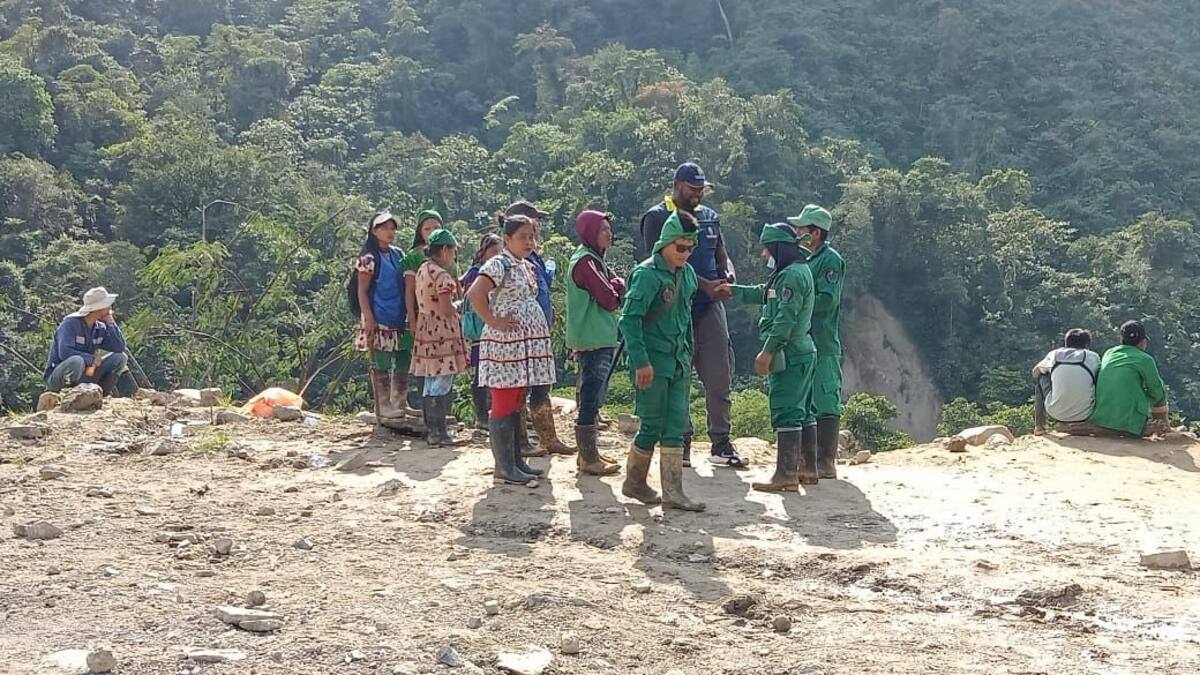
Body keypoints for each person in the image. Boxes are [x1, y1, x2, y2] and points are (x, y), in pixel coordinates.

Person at [639, 162, 738, 468]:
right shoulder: (657, 217)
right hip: (674, 308)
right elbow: (660, 263)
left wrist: (728, 275)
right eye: (693, 188)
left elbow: (721, 253)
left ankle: (721, 443)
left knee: (719, 375)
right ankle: (679, 442)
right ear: (677, 184)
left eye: (701, 189)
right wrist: (704, 285)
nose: (697, 194)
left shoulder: (709, 217)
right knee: (677, 376)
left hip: (709, 308)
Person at [620, 212, 705, 511]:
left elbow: (686, 318)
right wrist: (641, 362)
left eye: (691, 248)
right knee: (652, 423)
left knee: (676, 424)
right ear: (665, 243)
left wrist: (690, 353)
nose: (685, 253)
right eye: (680, 247)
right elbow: (629, 320)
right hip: (653, 362)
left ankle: (673, 491)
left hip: (679, 360)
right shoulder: (646, 275)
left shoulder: (688, 275)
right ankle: (634, 482)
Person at [467, 215, 557, 485]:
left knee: (517, 399)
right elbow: (475, 294)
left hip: (522, 346)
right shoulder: (499, 263)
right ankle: (504, 467)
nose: (529, 242)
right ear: (507, 239)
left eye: (531, 237)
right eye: (522, 237)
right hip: (506, 345)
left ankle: (516, 462)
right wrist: (494, 321)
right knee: (505, 400)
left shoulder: (525, 265)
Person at [727, 224, 818, 490]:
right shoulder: (794, 271)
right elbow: (767, 293)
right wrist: (734, 290)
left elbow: (785, 319)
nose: (764, 255)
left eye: (767, 249)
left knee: (786, 409)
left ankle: (785, 475)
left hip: (789, 351)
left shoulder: (791, 277)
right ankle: (807, 469)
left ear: (778, 248)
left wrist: (767, 351)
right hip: (803, 349)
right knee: (803, 410)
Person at [504, 200, 576, 456]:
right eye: (535, 221)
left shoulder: (530, 256)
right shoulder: (506, 261)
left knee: (541, 384)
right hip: (520, 335)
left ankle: (546, 438)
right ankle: (523, 442)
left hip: (537, 330)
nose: (539, 226)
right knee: (521, 388)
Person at [788, 204, 845, 480]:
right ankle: (807, 460)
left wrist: (801, 303)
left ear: (816, 232)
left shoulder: (830, 260)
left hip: (823, 341)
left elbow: (828, 299)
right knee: (806, 400)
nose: (797, 233)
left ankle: (826, 461)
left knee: (825, 398)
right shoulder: (804, 260)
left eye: (801, 228)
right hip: (804, 342)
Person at [566, 210, 624, 476]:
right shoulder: (586, 262)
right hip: (593, 337)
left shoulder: (593, 258)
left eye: (609, 229)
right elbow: (609, 298)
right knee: (591, 395)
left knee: (593, 392)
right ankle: (588, 457)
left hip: (597, 335)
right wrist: (617, 287)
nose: (609, 234)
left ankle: (589, 454)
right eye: (603, 229)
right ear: (590, 232)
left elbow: (612, 288)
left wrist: (615, 286)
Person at [412, 229, 470, 446]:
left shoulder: (422, 270)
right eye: (453, 251)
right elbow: (446, 310)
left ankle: (432, 430)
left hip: (425, 329)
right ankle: (440, 432)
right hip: (442, 332)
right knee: (442, 380)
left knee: (429, 381)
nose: (454, 256)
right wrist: (459, 305)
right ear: (445, 250)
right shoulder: (443, 277)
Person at [353, 212, 409, 420]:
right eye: (384, 228)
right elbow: (362, 290)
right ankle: (383, 405)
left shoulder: (398, 254)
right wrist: (368, 317)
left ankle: (400, 402)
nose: (389, 232)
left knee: (403, 357)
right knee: (381, 361)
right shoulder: (368, 259)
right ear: (374, 231)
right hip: (378, 315)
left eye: (392, 228)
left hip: (398, 315)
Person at [1087, 321, 1170, 437]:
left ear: (1122, 339)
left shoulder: (1109, 353)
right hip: (1129, 424)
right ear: (1143, 341)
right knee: (1158, 393)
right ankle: (1165, 427)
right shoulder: (1145, 359)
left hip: (1101, 419)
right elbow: (1157, 391)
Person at [44, 286, 129, 395]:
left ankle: (101, 394)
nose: (110, 307)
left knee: (120, 358)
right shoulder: (70, 324)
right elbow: (64, 352)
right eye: (107, 305)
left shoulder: (100, 328)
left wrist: (111, 323)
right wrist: (91, 359)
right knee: (77, 361)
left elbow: (119, 347)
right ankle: (68, 395)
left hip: (86, 375)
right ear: (98, 308)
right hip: (60, 376)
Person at [402, 209, 445, 409]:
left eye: (436, 227)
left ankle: (441, 412)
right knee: (424, 362)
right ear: (420, 232)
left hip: (446, 318)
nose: (432, 231)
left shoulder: (447, 252)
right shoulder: (414, 257)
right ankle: (426, 411)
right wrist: (412, 318)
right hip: (423, 317)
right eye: (427, 228)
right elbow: (409, 290)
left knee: (445, 362)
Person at [460, 232, 502, 432]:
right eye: (493, 251)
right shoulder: (476, 273)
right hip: (480, 328)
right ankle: (482, 416)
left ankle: (492, 413)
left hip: (490, 327)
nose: (497, 255)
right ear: (483, 252)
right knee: (481, 373)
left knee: (491, 371)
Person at [1031, 328, 1101, 435]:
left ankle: (1039, 427)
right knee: (1098, 377)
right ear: (1087, 345)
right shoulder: (1093, 356)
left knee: (1042, 375)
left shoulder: (1055, 354)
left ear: (1066, 343)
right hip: (1086, 413)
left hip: (1056, 412)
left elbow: (1035, 373)